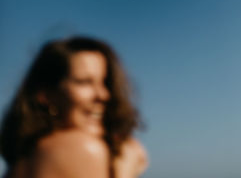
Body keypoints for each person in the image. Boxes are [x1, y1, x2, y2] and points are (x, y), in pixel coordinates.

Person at [0, 36, 148, 178]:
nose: (103, 95)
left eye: (104, 82)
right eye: (84, 82)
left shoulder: (26, 158)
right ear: (45, 95)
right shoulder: (82, 148)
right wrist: (126, 170)